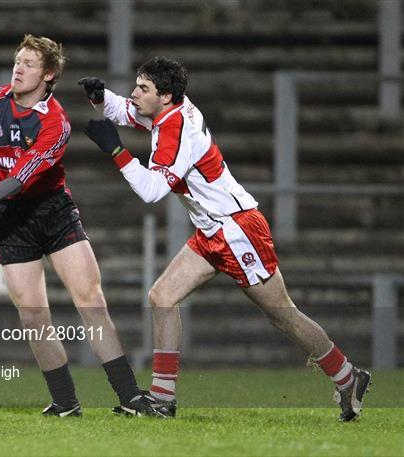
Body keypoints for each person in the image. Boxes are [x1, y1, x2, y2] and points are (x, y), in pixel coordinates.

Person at [79, 56, 372, 421]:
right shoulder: (172, 109)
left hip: (236, 229)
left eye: (143, 88)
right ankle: (162, 399)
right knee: (162, 297)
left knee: (282, 314)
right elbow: (128, 111)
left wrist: (116, 151)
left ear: (166, 96)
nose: (134, 94)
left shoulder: (175, 130)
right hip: (213, 229)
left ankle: (348, 376)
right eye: (137, 85)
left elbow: (152, 190)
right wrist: (100, 98)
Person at [0, 34, 164, 417]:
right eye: (17, 61)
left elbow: (20, 179)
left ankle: (130, 397)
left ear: (49, 74)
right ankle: (65, 402)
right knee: (33, 314)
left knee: (90, 301)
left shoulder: (55, 122)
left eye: (28, 64)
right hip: (9, 220)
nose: (18, 69)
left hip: (52, 212)